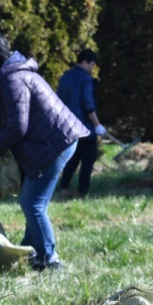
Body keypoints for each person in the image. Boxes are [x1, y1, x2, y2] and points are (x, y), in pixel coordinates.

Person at [0, 23, 89, 271]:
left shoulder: (12, 80)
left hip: (57, 144)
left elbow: (17, 127)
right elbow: (2, 125)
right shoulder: (10, 74)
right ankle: (33, 251)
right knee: (34, 200)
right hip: (54, 141)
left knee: (32, 203)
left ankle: (49, 260)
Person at [56, 49, 107, 197]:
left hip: (68, 127)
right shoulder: (86, 79)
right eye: (91, 65)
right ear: (84, 62)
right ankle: (83, 191)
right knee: (88, 160)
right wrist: (97, 125)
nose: (92, 69)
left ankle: (64, 186)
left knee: (72, 159)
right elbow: (88, 104)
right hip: (85, 127)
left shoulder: (65, 77)